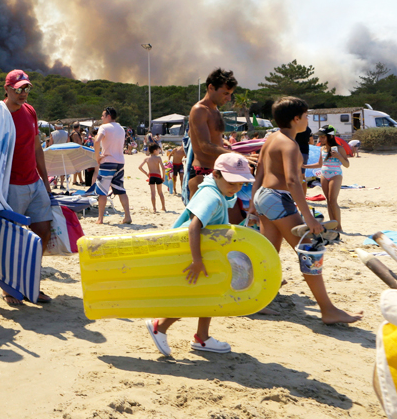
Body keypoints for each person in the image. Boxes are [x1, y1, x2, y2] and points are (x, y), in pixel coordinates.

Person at [247, 96, 362, 325]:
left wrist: (252, 205)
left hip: (264, 197)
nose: (308, 119)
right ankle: (327, 309)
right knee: (310, 248)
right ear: (296, 118)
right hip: (279, 198)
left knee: (268, 252)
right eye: (307, 115)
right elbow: (291, 181)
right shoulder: (289, 144)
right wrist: (309, 218)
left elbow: (259, 170)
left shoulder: (271, 138)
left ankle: (255, 298)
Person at [146, 153, 255, 356]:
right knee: (193, 295)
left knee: (210, 292)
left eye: (241, 184)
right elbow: (194, 226)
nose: (236, 188)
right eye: (232, 182)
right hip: (190, 253)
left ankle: (202, 337)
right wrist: (197, 260)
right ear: (216, 174)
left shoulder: (218, 191)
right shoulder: (211, 196)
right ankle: (159, 326)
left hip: (202, 251)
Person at [0, 69, 55, 305]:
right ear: (7, 89)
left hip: (34, 182)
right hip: (8, 185)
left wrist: (45, 180)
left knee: (43, 232)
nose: (23, 93)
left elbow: (36, 149)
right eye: (18, 89)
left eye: (27, 88)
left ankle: (30, 281)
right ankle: (10, 288)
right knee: (10, 238)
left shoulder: (30, 111)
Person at [188, 69, 238, 198]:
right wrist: (236, 155)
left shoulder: (214, 110)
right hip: (202, 172)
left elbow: (192, 133)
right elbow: (205, 146)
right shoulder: (200, 110)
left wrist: (223, 142)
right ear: (211, 87)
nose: (229, 98)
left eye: (230, 94)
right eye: (225, 93)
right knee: (199, 217)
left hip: (217, 171)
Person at [304, 126, 350, 232]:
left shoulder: (340, 148)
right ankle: (332, 224)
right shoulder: (322, 148)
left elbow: (347, 164)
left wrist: (338, 156)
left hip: (335, 174)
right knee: (328, 201)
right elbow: (319, 164)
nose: (320, 139)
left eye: (323, 137)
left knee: (333, 200)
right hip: (324, 175)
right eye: (320, 137)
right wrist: (304, 166)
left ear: (331, 136)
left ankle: (339, 227)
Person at [93, 107, 132, 225]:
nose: (101, 117)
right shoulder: (121, 128)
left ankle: (100, 218)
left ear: (108, 116)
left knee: (102, 191)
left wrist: (97, 156)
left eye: (103, 115)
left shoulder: (104, 127)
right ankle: (127, 216)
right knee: (120, 190)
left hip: (108, 161)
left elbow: (97, 141)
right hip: (120, 161)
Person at [138, 144, 167, 213]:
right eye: (158, 150)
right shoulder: (158, 158)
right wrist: (163, 177)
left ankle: (154, 208)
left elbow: (140, 167)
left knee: (153, 193)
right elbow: (163, 168)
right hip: (158, 176)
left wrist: (146, 173)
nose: (159, 151)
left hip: (151, 176)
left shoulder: (147, 158)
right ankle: (163, 207)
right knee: (160, 192)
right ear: (155, 151)